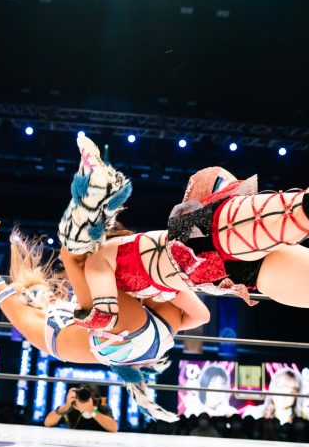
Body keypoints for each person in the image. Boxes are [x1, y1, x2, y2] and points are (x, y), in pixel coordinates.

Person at [0, 222, 210, 422]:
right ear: (28, 303)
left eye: (46, 290)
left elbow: (199, 318)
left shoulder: (75, 308)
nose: (47, 294)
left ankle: (201, 248)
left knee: (152, 277)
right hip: (129, 337)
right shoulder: (29, 320)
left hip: (155, 335)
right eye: (36, 294)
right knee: (75, 257)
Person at [58, 136, 309, 323]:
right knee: (297, 213)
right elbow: (201, 316)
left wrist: (79, 316)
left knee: (298, 213)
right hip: (209, 254)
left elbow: (105, 316)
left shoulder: (98, 261)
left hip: (205, 253)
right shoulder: (132, 272)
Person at [44, 383, 118, 432]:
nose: (85, 400)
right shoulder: (72, 407)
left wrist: (93, 411)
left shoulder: (102, 408)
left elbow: (114, 428)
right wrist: (66, 407)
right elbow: (47, 423)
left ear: (95, 400)